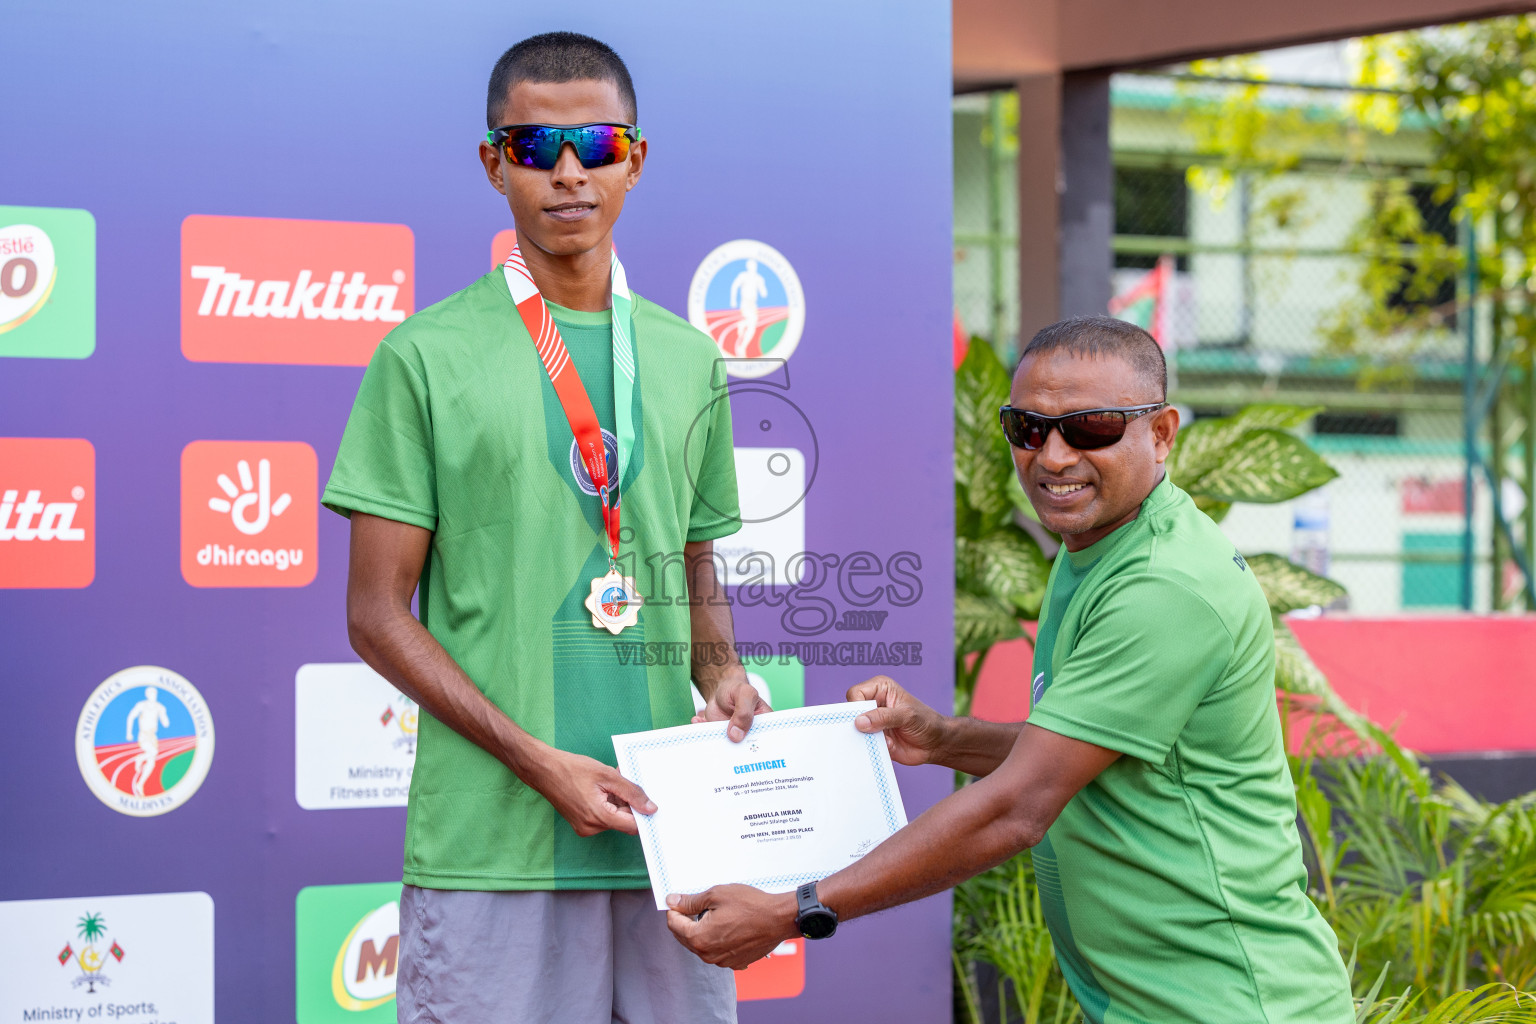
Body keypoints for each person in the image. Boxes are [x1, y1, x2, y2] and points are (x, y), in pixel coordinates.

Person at [666, 316, 1356, 1023]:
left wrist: (793, 910)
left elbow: (1020, 805)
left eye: (1090, 428)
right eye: (1028, 428)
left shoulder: (1164, 586)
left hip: (1234, 1004)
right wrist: (941, 738)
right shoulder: (1097, 544)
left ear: (1163, 433)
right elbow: (1081, 749)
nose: (1053, 457)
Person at [323, 31, 764, 1024]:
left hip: (669, 840)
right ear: (494, 165)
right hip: (496, 846)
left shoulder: (689, 359)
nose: (568, 172)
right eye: (534, 149)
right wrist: (538, 760)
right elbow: (375, 615)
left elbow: (690, 561)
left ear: (635, 160)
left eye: (596, 144)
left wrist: (723, 674)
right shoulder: (423, 356)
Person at [126, 685, 169, 797]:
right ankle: (139, 758)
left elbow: (165, 724)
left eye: (154, 693)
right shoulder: (141, 705)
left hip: (153, 736)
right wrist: (129, 732)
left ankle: (140, 784)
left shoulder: (160, 707)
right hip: (144, 734)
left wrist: (164, 714)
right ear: (147, 694)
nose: (152, 695)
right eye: (150, 693)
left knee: (152, 762)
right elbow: (131, 717)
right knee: (153, 753)